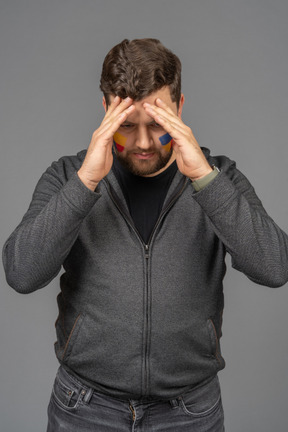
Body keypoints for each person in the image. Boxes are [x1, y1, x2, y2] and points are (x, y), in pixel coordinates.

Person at [3, 38, 288, 432]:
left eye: (157, 124)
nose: (141, 142)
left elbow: (274, 267)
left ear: (180, 108)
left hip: (190, 412)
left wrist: (205, 179)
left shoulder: (221, 177)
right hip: (84, 408)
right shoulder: (68, 176)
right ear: (106, 111)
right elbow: (21, 273)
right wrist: (86, 182)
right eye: (126, 126)